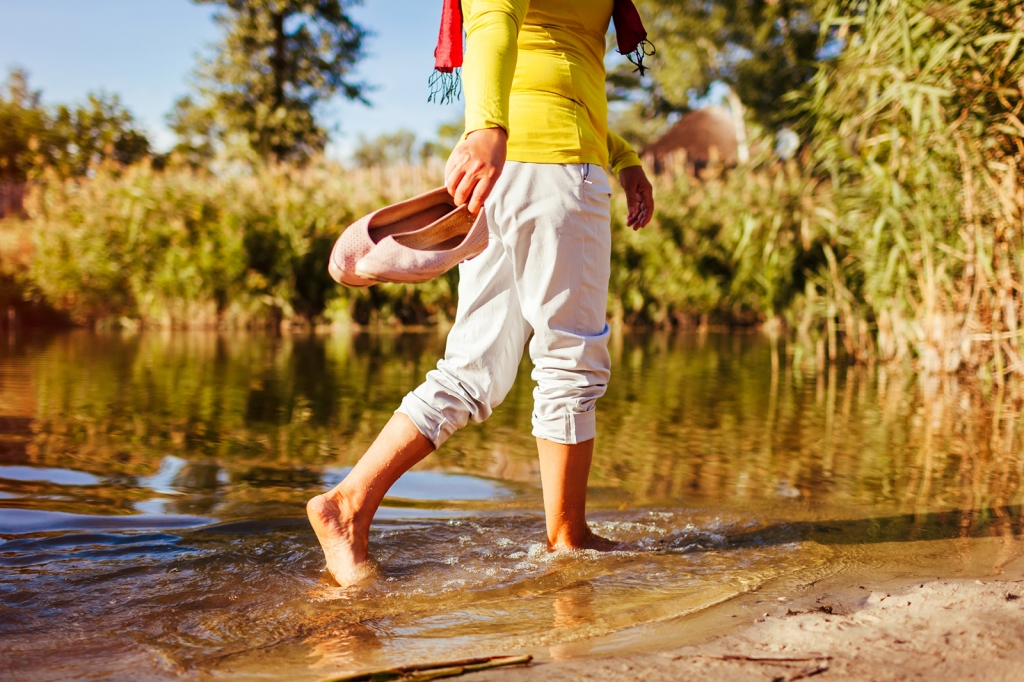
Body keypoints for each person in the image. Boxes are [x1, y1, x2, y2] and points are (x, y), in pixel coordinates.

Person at [308, 0, 655, 586]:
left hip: (519, 174)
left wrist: (621, 156)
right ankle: (569, 540)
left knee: (474, 370)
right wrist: (486, 126)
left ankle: (345, 506)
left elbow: (555, 73)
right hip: (554, 171)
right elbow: (493, 17)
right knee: (570, 360)